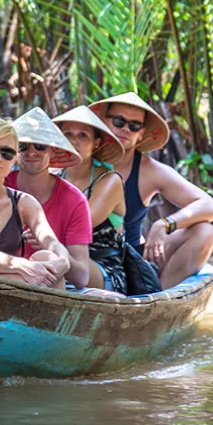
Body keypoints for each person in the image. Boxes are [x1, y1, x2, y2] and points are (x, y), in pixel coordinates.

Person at [90, 92, 213, 289]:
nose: (125, 129)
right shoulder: (82, 158)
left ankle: (158, 296)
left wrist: (164, 224)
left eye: (134, 126)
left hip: (131, 257)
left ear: (141, 133)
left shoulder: (149, 170)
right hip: (82, 253)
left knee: (205, 232)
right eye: (118, 121)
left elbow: (209, 206)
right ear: (104, 121)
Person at [0, 119, 78, 289]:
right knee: (36, 273)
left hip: (12, 285)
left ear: (15, 160)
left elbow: (52, 243)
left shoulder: (24, 202)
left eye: (6, 153)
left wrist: (61, 262)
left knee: (47, 258)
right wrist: (25, 267)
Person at [4, 107, 93, 289]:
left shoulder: (74, 200)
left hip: (57, 286)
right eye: (23, 146)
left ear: (52, 151)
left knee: (45, 258)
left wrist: (52, 247)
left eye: (40, 146)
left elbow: (81, 277)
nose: (31, 153)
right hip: (1, 281)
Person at [52, 106, 127, 294]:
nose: (74, 141)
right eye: (68, 134)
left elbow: (80, 227)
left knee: (48, 255)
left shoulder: (109, 180)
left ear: (96, 143)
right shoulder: (54, 177)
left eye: (83, 135)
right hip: (57, 259)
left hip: (102, 270)